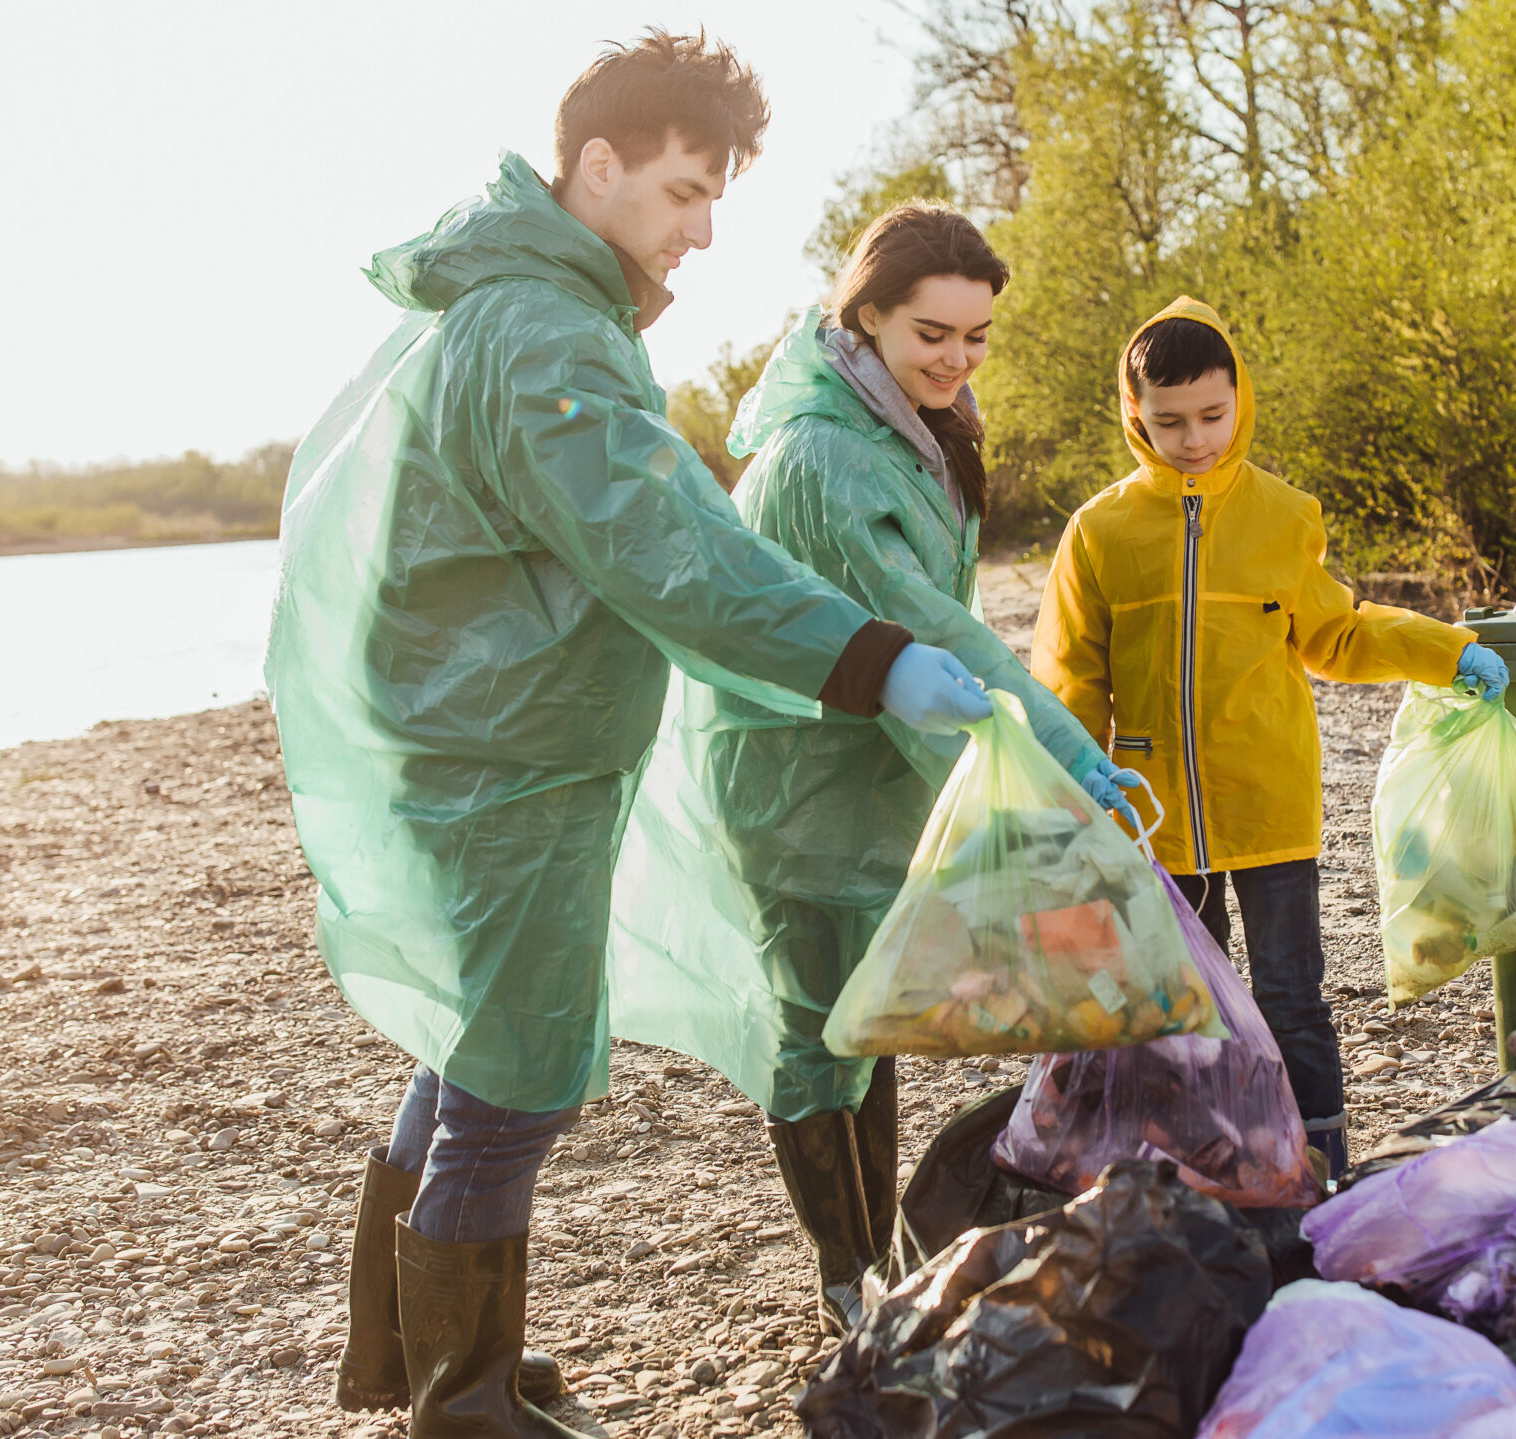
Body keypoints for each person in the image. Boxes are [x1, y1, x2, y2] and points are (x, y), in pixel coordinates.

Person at [267, 33, 995, 1439]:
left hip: (483, 742)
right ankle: (465, 1399)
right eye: (680, 189)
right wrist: (871, 661)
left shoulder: (511, 305)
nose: (703, 228)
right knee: (512, 1072)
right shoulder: (542, 331)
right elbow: (670, 547)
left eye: (715, 195)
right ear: (594, 166)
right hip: (508, 760)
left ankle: (415, 1355)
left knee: (463, 1033)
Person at [608, 202, 1139, 1334]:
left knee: (871, 1013)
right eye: (930, 333)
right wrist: (1065, 751)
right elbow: (931, 625)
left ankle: (877, 1260)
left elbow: (938, 621)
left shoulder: (910, 420)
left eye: (975, 334)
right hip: (792, 771)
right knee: (817, 1026)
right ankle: (845, 1274)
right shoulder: (826, 457)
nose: (955, 357)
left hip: (873, 757)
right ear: (865, 318)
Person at [1033, 296, 1511, 1181]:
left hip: (1272, 812)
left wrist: (1447, 652)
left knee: (1292, 1000)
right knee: (1180, 1011)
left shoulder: (1284, 514)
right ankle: (1207, 1172)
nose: (1195, 438)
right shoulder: (1098, 532)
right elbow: (1070, 678)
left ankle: (1318, 1169)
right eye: (1169, 421)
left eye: (1213, 415)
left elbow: (1340, 633)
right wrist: (1069, 786)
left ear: (1239, 399)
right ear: (1134, 413)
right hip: (1152, 820)